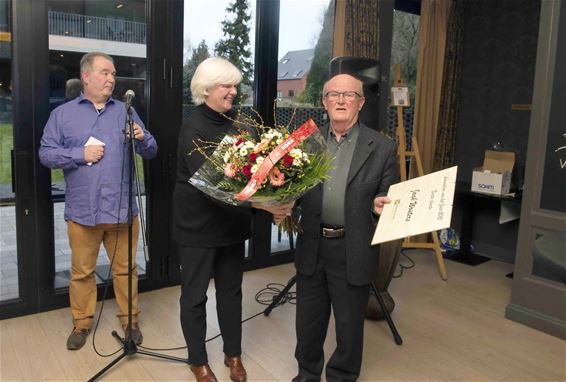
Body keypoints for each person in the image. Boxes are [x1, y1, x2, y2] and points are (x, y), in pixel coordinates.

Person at [172, 57, 289, 382]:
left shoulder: (241, 124)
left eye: (236, 85)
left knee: (231, 292)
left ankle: (232, 354)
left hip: (231, 227)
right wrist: (265, 207)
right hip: (197, 227)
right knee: (194, 297)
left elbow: (251, 172)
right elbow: (215, 187)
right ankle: (198, 360)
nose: (234, 91)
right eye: (227, 85)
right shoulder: (193, 128)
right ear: (207, 88)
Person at [39, 52, 157, 350]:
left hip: (122, 211)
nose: (111, 78)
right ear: (87, 77)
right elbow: (46, 154)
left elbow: (151, 150)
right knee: (82, 273)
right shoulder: (62, 115)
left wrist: (142, 137)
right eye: (105, 72)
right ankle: (81, 324)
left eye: (113, 73)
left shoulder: (126, 111)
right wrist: (79, 154)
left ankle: (130, 321)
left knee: (126, 270)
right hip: (83, 212)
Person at [291, 73, 399, 382]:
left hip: (353, 248)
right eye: (333, 94)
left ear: (361, 103)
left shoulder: (382, 147)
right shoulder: (306, 142)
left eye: (349, 95)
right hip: (313, 244)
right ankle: (307, 375)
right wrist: (281, 204)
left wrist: (380, 205)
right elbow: (294, 191)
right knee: (307, 322)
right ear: (324, 102)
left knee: (350, 326)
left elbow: (387, 194)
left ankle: (341, 377)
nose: (340, 100)